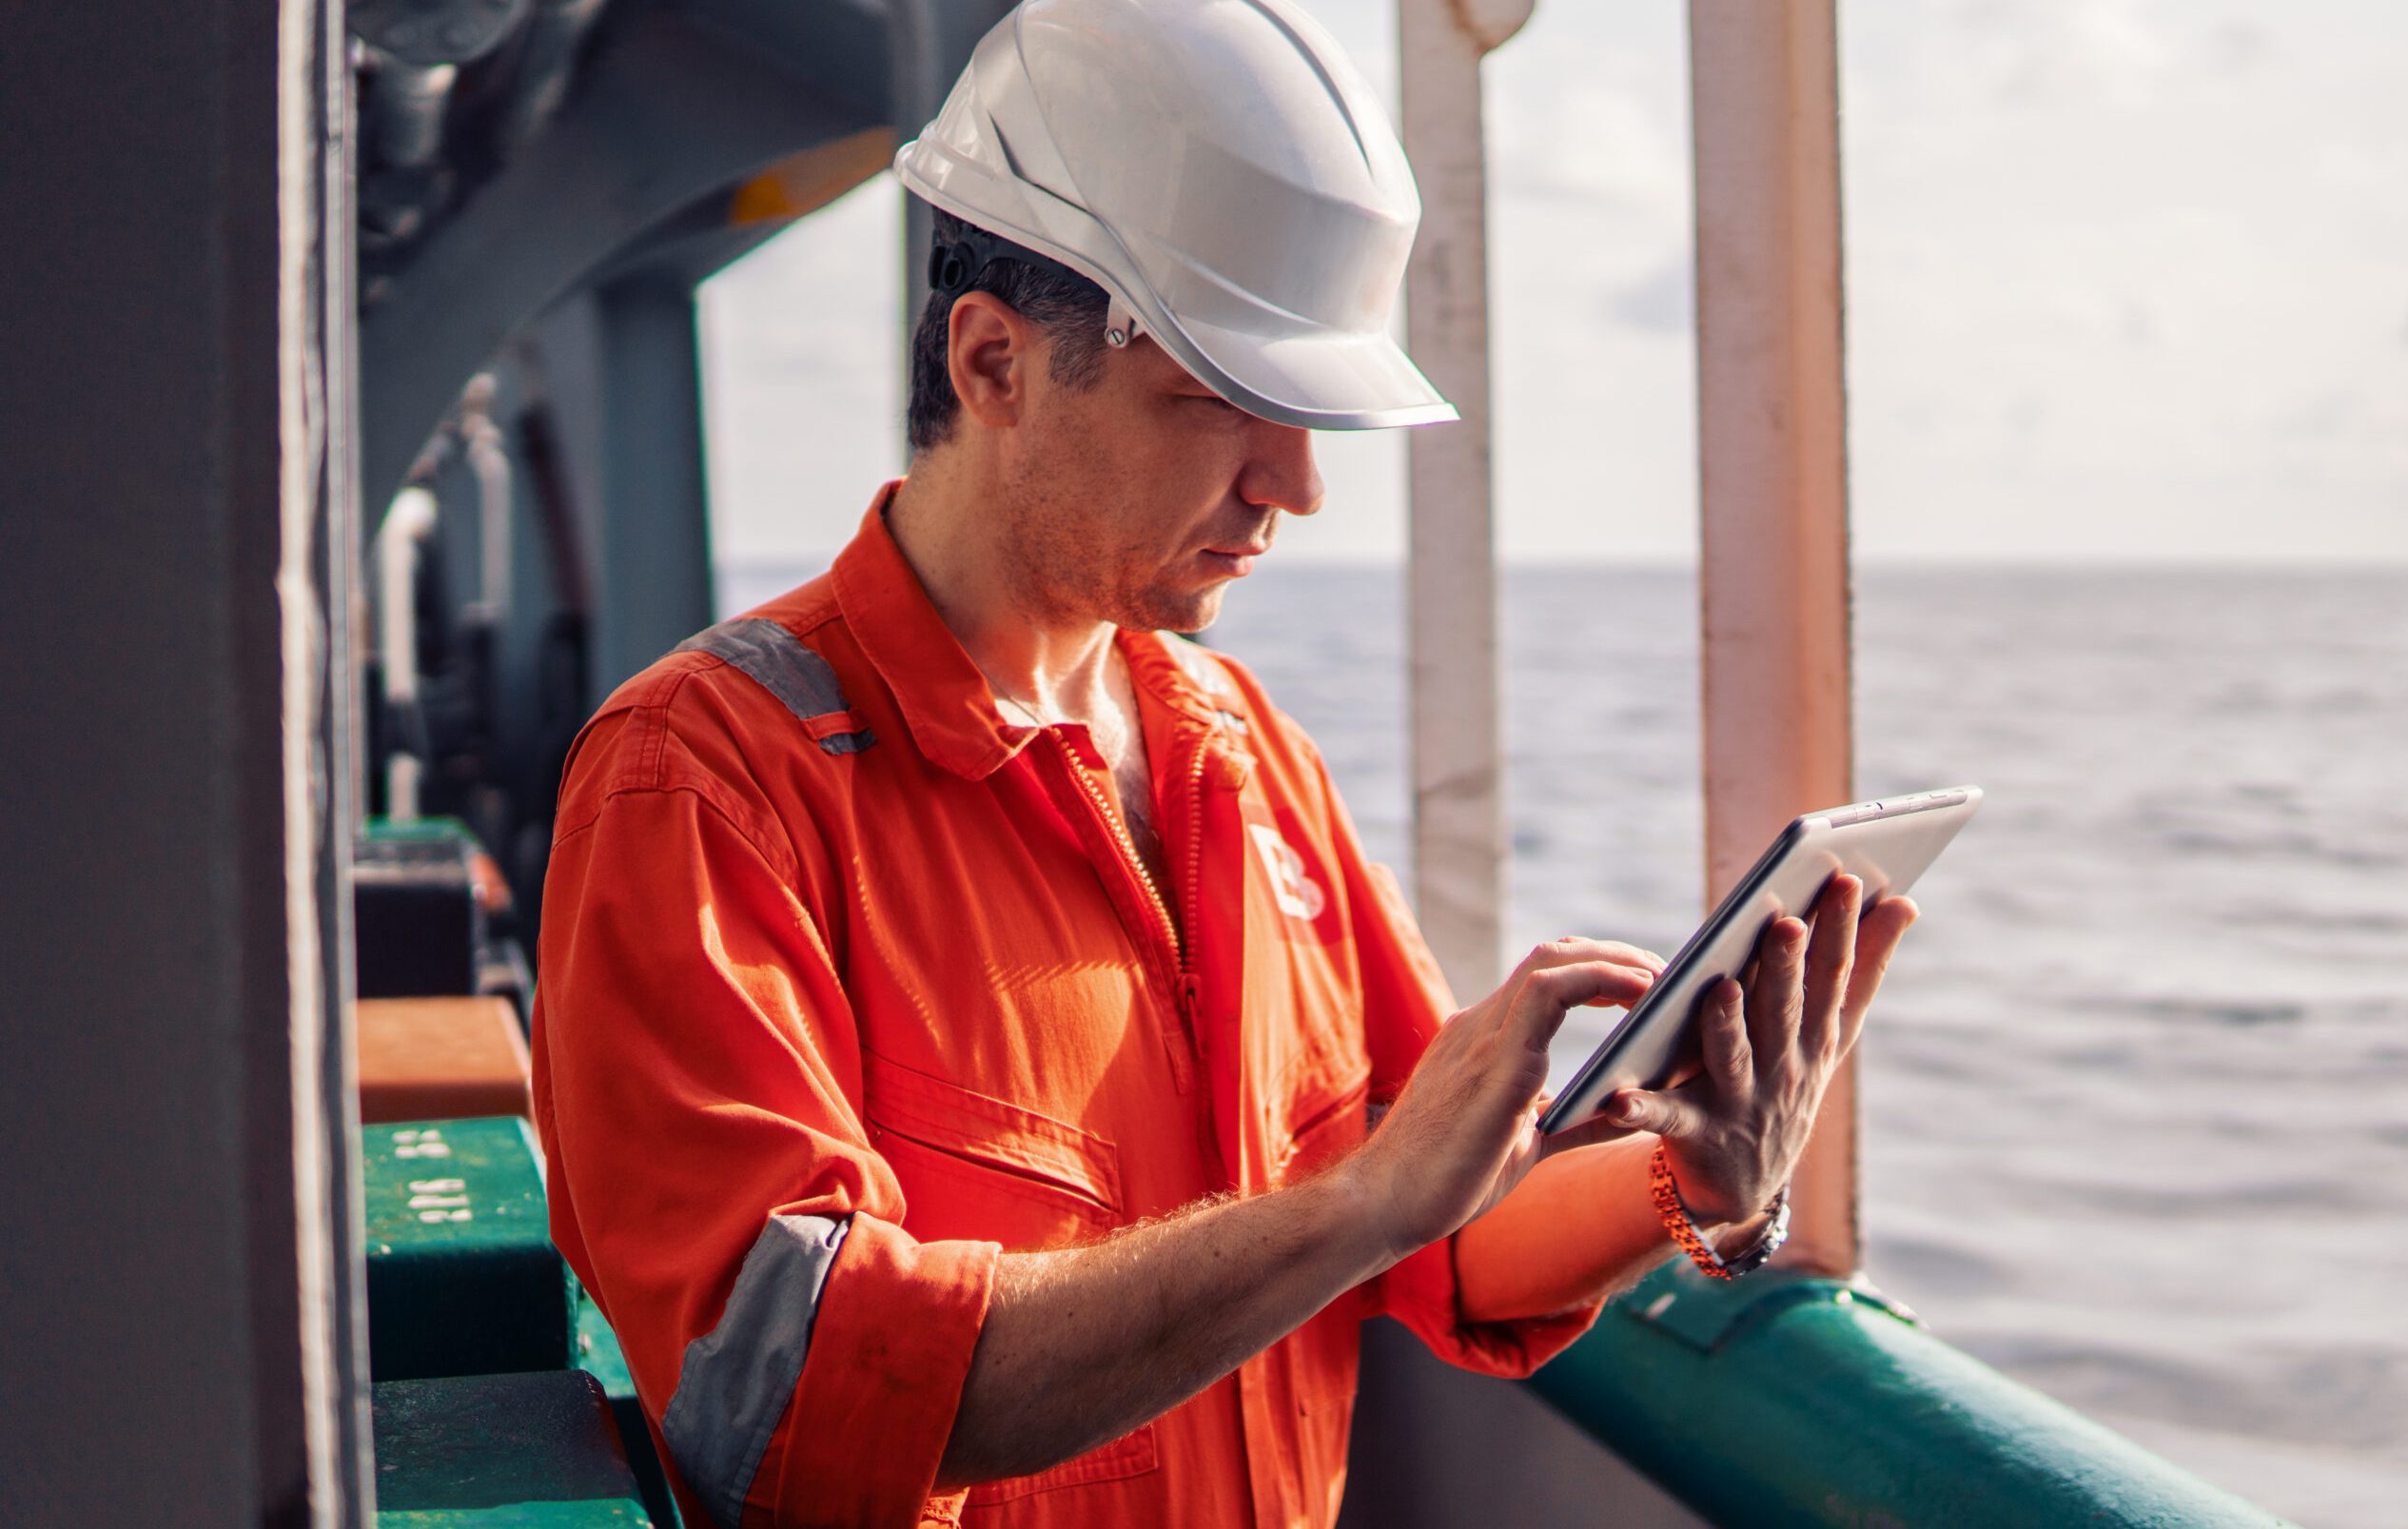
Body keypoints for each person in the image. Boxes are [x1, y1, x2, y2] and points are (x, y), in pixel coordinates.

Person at [530, 3, 1916, 1526]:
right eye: (1219, 395)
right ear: (994, 362)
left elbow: (1430, 1232)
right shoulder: (705, 781)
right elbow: (787, 1389)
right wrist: (1351, 1209)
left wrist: (1687, 1183)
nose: (1299, 485)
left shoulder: (1239, 749)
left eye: (1308, 413)